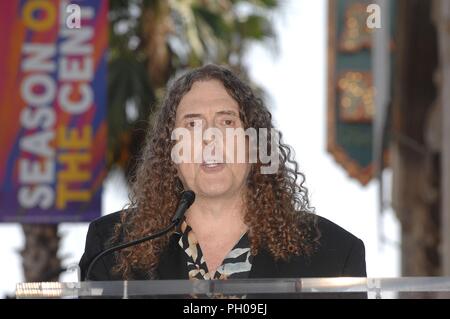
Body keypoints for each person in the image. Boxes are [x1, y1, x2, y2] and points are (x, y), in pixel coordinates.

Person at [79, 64, 366, 286]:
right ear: (171, 151)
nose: (209, 138)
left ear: (253, 145)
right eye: (192, 125)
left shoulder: (333, 254)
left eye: (227, 122)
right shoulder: (112, 249)